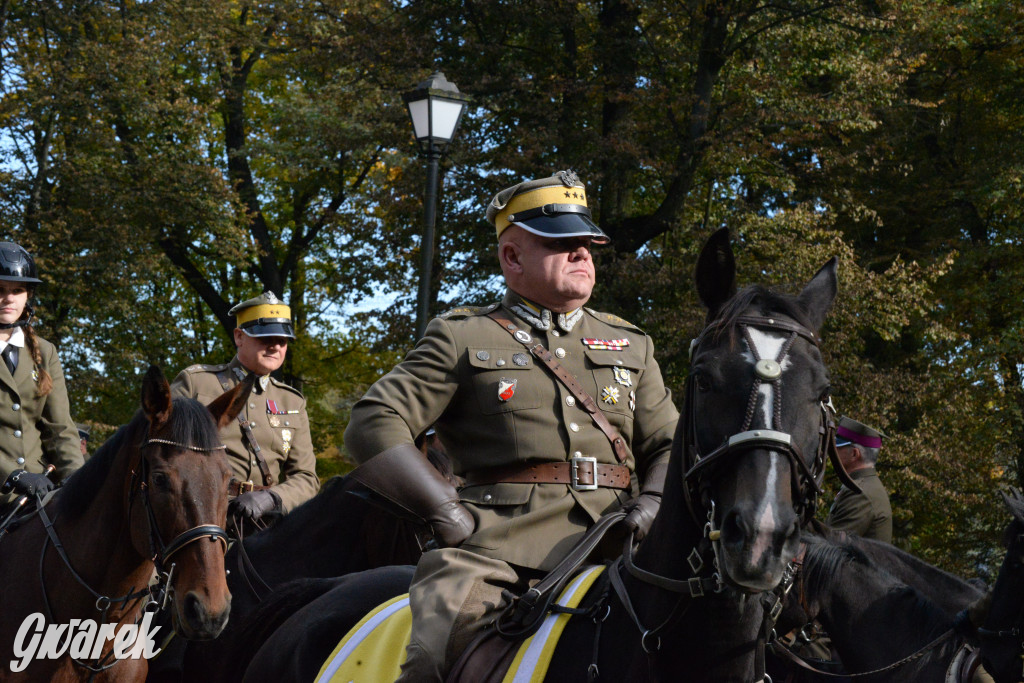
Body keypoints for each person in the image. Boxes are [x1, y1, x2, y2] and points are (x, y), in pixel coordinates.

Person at [344, 170, 679, 682]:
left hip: (624, 544)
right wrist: (447, 512)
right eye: (562, 243)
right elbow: (372, 421)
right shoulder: (463, 335)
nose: (582, 254)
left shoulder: (633, 344)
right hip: (498, 552)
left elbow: (670, 443)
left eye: (586, 243)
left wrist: (653, 504)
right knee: (436, 654)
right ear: (513, 257)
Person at [170, 291, 319, 525]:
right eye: (265, 338)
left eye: (281, 341)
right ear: (239, 337)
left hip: (266, 524)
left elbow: (306, 478)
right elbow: (162, 455)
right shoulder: (196, 383)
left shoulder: (292, 401)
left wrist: (272, 497)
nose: (274, 347)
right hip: (201, 520)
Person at [0, 241, 84, 506]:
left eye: (18, 290)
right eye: (0, 289)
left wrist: (78, 481)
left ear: (28, 296)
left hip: (38, 493)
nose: (9, 298)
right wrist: (12, 474)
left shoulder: (45, 352)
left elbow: (60, 429)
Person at [826, 415, 893, 543]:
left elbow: (830, 546)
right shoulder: (863, 485)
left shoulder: (859, 492)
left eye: (838, 448)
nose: (833, 452)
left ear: (854, 454)